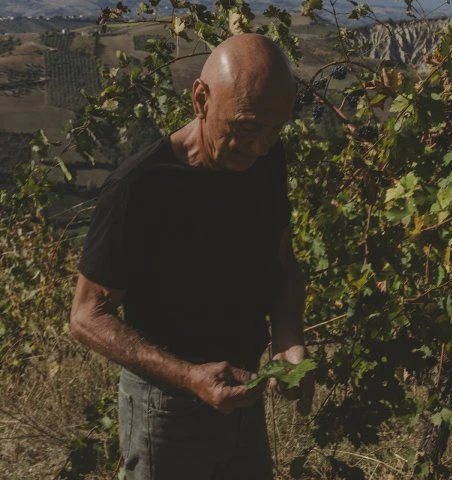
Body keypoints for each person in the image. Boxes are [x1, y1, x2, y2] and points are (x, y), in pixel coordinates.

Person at [70, 33, 313, 479]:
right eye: (246, 127)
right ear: (201, 98)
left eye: (275, 129)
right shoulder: (139, 188)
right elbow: (87, 316)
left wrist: (288, 339)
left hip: (244, 397)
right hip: (165, 412)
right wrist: (189, 377)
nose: (260, 146)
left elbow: (282, 263)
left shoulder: (266, 158)